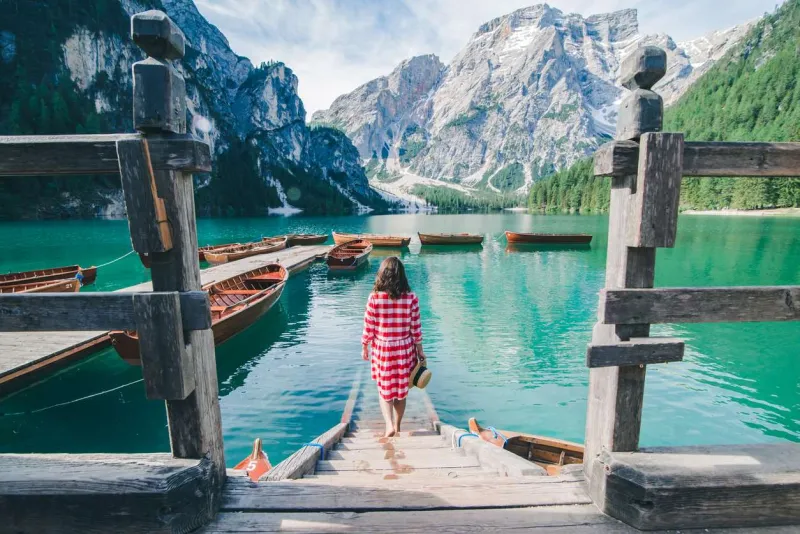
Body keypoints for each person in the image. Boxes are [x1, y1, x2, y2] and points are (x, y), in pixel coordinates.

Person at [361, 257, 425, 438]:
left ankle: (388, 424)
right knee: (401, 390)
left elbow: (369, 326)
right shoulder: (411, 298)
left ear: (382, 275)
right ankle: (397, 426)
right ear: (402, 276)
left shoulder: (374, 298)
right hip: (404, 348)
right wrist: (420, 350)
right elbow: (416, 327)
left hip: (383, 348)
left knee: (385, 388)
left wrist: (365, 346)